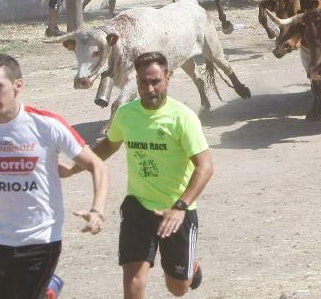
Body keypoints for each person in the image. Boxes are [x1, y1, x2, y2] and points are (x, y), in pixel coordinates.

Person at [61, 52, 213, 297]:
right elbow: (109, 145)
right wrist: (73, 167)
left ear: (168, 77)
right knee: (133, 283)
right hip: (138, 207)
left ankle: (190, 269)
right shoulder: (126, 114)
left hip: (177, 210)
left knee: (177, 288)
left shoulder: (183, 118)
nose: (150, 88)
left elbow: (205, 167)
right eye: (144, 82)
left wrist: (180, 206)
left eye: (156, 81)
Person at [0, 54, 108, 299]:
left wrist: (98, 210)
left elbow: (96, 165)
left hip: (40, 241)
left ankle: (45, 288)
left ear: (18, 85)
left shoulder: (47, 125)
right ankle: (47, 290)